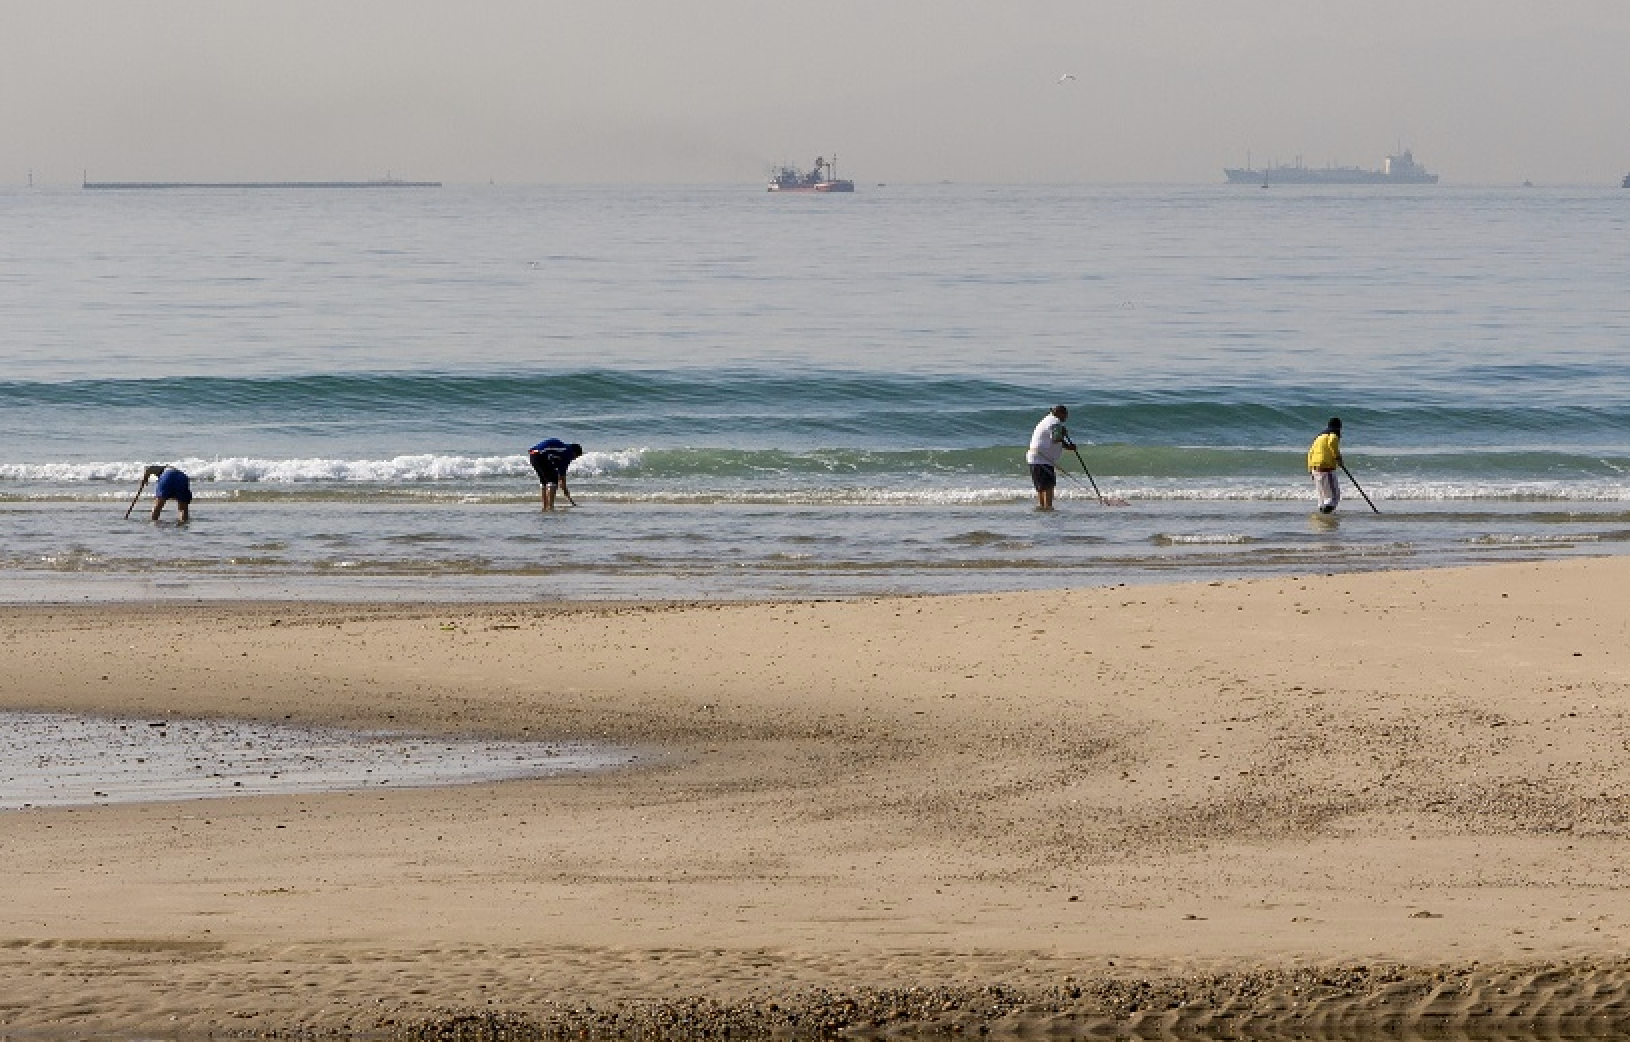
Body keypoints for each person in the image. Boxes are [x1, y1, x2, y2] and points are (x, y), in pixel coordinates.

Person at [1025, 405, 1076, 511]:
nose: (1066, 418)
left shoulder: (1047, 420)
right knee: (1048, 486)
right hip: (1041, 458)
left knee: (1041, 487)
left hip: (1036, 457)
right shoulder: (1054, 421)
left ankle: (1042, 507)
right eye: (1065, 415)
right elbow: (1057, 438)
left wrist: (1068, 446)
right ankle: (1048, 507)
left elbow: (1054, 439)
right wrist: (1063, 433)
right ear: (1060, 413)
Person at [527, 438, 583, 511]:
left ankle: (545, 506)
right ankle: (550, 507)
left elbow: (559, 474)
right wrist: (567, 493)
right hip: (539, 455)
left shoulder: (560, 452)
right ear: (575, 453)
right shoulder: (568, 453)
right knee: (553, 481)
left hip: (533, 455)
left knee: (544, 482)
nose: (574, 459)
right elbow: (562, 478)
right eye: (576, 457)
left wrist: (564, 489)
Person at [1307, 417, 1344, 514]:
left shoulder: (1319, 437)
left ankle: (1322, 518)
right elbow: (1332, 442)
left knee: (1322, 496)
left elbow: (1310, 452)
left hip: (1315, 468)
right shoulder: (1333, 435)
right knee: (1334, 496)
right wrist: (1338, 458)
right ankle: (1327, 516)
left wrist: (1310, 469)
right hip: (1326, 468)